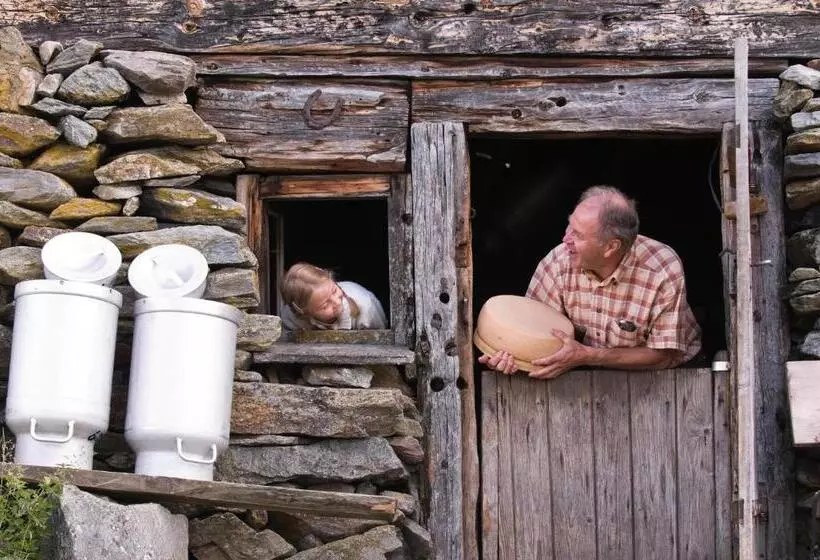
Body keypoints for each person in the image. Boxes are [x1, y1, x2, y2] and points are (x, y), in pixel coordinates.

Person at [479, 185, 702, 379]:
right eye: (569, 225)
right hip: (580, 373)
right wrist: (511, 356)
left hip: (667, 379)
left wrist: (587, 355)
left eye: (578, 234)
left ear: (611, 247)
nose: (565, 239)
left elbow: (663, 355)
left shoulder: (661, 270)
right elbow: (533, 332)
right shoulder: (557, 262)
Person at [280, 262, 387, 331]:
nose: (336, 302)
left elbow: (381, 341)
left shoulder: (367, 308)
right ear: (304, 313)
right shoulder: (290, 318)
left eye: (334, 291)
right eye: (325, 306)